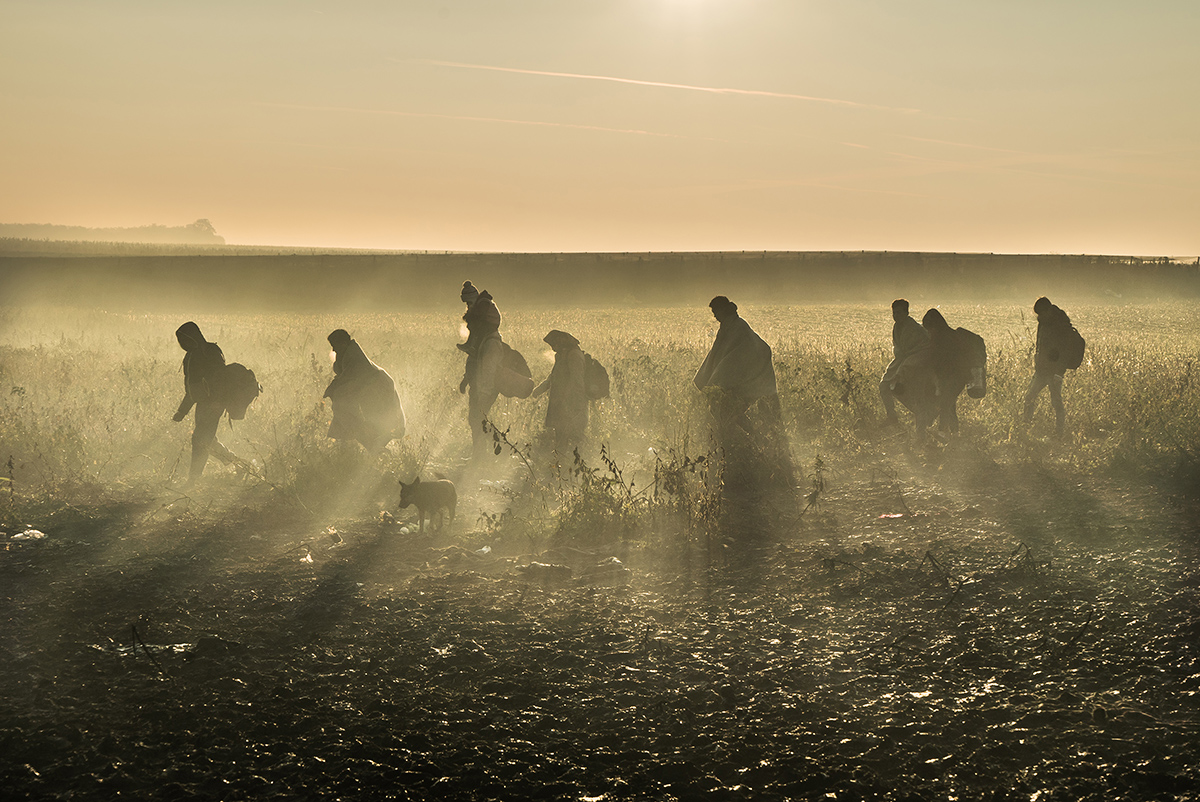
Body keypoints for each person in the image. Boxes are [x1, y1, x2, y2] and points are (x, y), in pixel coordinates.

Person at [694, 296, 779, 437]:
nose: (714, 316)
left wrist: (718, 378)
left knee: (729, 409)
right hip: (739, 377)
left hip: (749, 377)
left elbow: (735, 357)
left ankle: (750, 436)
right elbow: (718, 354)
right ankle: (747, 436)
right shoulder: (728, 326)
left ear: (722, 310)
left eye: (716, 312)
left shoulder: (738, 326)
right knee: (725, 409)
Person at [172, 321, 238, 483]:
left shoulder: (207, 352)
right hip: (204, 404)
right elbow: (192, 390)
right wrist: (182, 411)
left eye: (184, 340)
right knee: (207, 439)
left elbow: (217, 380)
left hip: (213, 404)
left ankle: (193, 480)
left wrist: (216, 402)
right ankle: (235, 462)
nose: (182, 344)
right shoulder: (194, 355)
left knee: (200, 440)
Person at [323, 329, 405, 452]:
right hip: (373, 387)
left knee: (379, 420)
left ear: (343, 344)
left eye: (335, 346)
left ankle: (375, 449)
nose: (334, 350)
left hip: (378, 387)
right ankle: (373, 448)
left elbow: (348, 379)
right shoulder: (348, 354)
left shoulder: (354, 358)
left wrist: (332, 389)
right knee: (365, 418)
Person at [1023, 296, 1075, 436]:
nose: (1038, 317)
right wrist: (1037, 359)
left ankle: (1059, 433)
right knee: (1029, 398)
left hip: (1054, 372)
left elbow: (1065, 350)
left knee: (1056, 402)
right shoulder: (1044, 321)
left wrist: (1059, 372)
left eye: (1040, 313)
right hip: (1041, 369)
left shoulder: (1061, 324)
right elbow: (1040, 343)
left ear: (1047, 310)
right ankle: (1025, 428)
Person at [533, 330, 588, 451]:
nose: (553, 348)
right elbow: (553, 377)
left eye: (554, 344)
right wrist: (538, 390)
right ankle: (561, 459)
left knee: (574, 435)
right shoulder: (562, 355)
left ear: (561, 342)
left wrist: (567, 398)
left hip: (572, 403)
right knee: (561, 434)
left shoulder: (574, 355)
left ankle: (575, 461)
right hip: (561, 403)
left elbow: (576, 380)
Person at [880, 299, 930, 425]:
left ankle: (923, 415)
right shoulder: (897, 326)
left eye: (899, 313)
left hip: (915, 362)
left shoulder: (914, 328)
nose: (896, 316)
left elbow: (921, 348)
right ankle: (892, 416)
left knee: (902, 390)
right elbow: (899, 349)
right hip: (902, 360)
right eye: (894, 313)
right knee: (884, 386)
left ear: (906, 313)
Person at [457, 281, 501, 395]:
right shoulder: (480, 342)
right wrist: (466, 380)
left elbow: (488, 370)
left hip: (484, 394)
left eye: (468, 302)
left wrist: (484, 394)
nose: (467, 305)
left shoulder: (491, 344)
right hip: (477, 391)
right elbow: (473, 363)